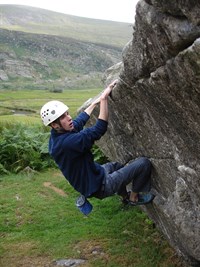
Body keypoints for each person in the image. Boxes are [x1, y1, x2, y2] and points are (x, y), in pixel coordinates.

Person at [40, 80, 154, 215]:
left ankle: (125, 198)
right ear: (54, 124)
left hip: (94, 176)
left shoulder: (57, 136)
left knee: (117, 166)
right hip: (100, 186)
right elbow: (99, 128)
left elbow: (79, 121)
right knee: (143, 164)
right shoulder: (67, 143)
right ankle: (134, 198)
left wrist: (95, 103)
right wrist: (104, 99)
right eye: (63, 117)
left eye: (67, 113)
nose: (69, 118)